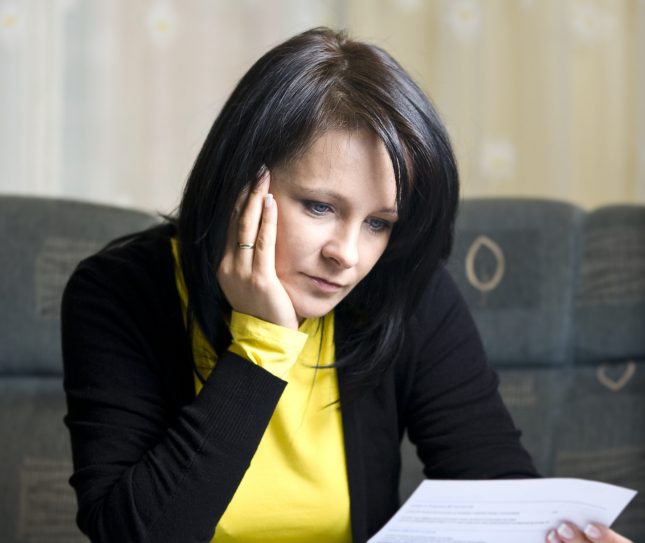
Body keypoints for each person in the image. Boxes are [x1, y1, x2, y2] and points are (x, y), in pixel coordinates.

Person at [61, 27, 631, 543]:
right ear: (241, 182)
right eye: (319, 206)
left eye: (379, 223)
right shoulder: (117, 294)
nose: (347, 255)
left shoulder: (406, 291)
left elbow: (498, 495)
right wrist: (262, 349)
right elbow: (135, 536)